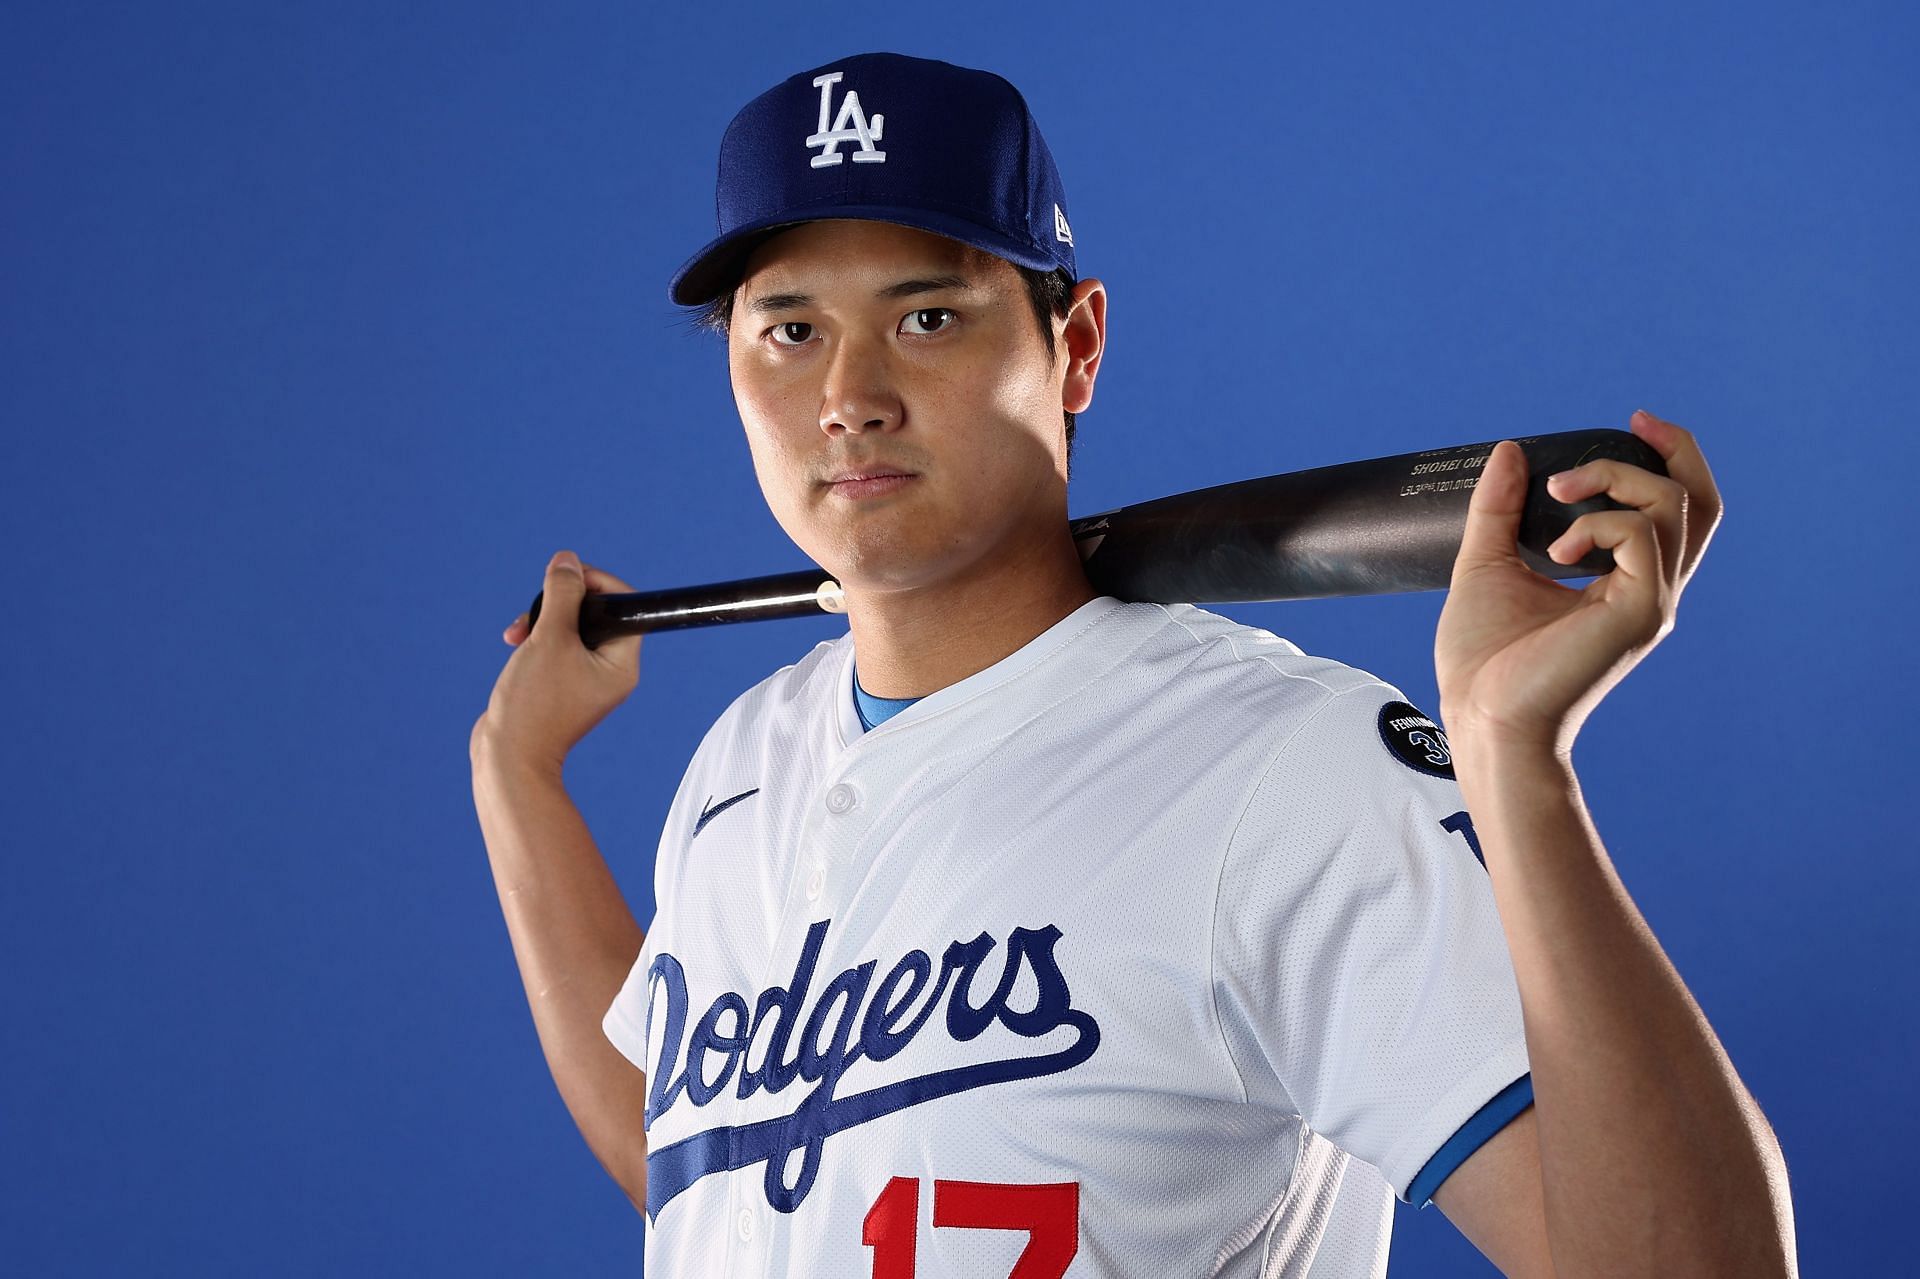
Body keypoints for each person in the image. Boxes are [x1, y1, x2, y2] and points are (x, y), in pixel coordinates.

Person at [470, 51, 1796, 1277]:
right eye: (789, 330)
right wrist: (518, 777)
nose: (848, 395)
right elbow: (707, 1176)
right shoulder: (742, 764)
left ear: (1077, 345)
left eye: (927, 317)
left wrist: (1516, 766)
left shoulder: (1287, 770)